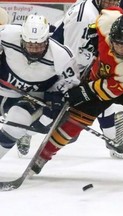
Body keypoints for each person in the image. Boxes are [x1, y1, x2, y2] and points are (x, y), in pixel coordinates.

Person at [30, 8, 123, 182]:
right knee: (72, 123)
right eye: (117, 44)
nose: (120, 49)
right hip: (101, 79)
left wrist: (81, 92)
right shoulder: (107, 24)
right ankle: (43, 156)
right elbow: (110, 10)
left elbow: (110, 89)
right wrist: (93, 29)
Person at [0, 14, 80, 159]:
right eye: (30, 45)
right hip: (3, 88)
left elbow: (72, 83)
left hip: (34, 96)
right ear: (22, 39)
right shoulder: (7, 34)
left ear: (47, 40)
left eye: (39, 46)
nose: (34, 50)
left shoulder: (61, 56)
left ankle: (26, 133)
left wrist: (56, 98)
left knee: (16, 122)